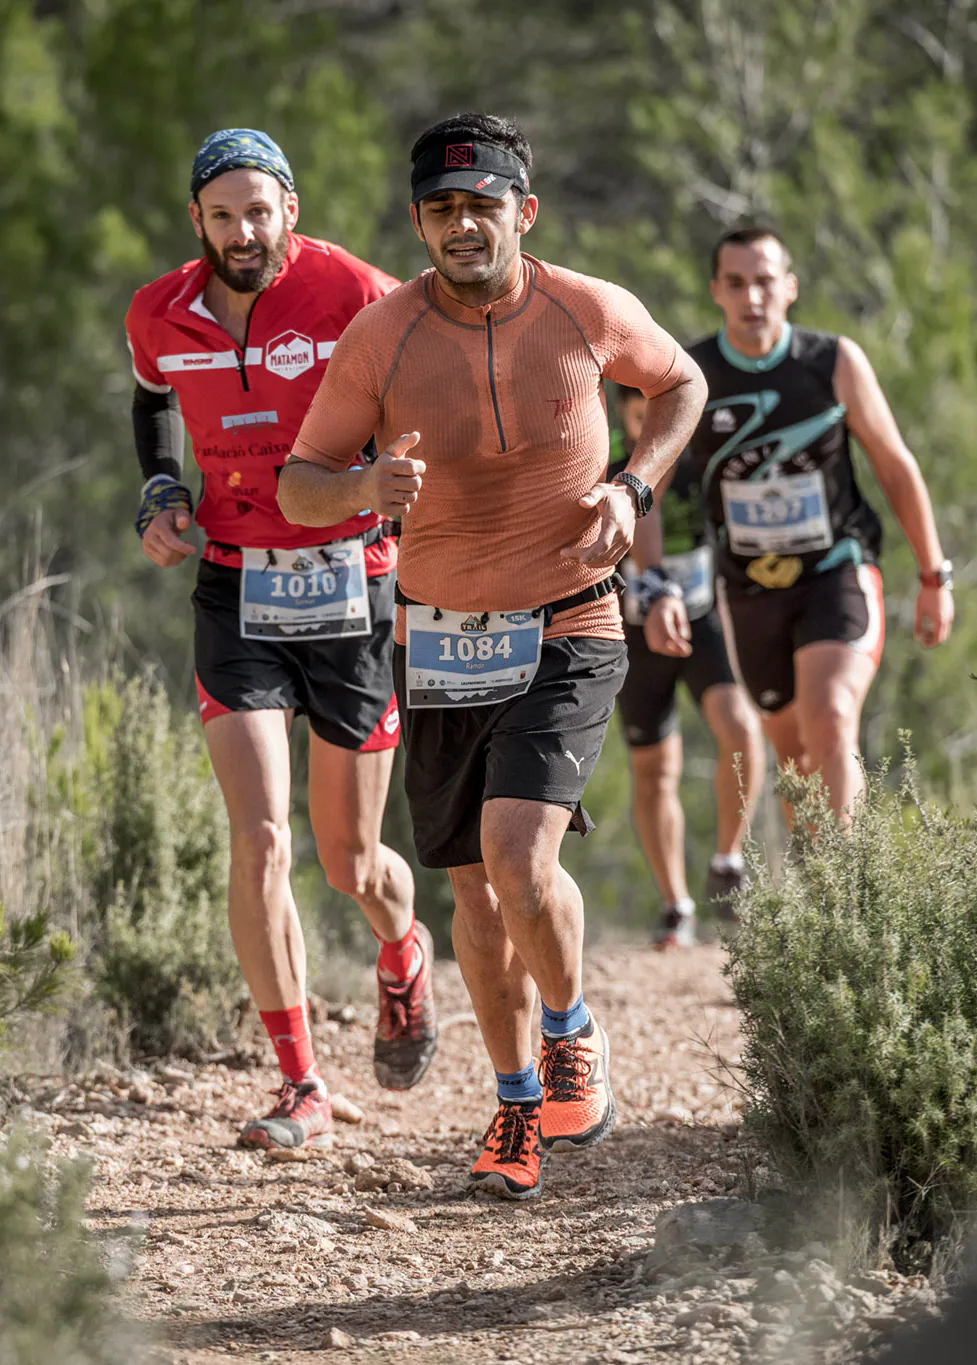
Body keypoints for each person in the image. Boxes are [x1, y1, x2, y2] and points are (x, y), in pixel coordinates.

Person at [279, 113, 707, 1200]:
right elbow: (299, 483)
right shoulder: (380, 337)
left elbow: (681, 386)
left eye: (481, 204)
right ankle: (516, 1101)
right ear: (418, 221)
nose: (461, 225)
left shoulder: (585, 307)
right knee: (473, 899)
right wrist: (360, 493)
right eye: (439, 209)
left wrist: (632, 486)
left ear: (524, 211)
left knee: (518, 858)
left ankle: (571, 1036)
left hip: (568, 617)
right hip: (437, 642)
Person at [123, 129, 437, 1153]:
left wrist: (391, 484)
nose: (243, 232)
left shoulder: (352, 289)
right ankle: (299, 1083)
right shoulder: (158, 311)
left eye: (259, 211)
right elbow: (149, 395)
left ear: (288, 211)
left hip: (350, 585)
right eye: (223, 215)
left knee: (352, 863)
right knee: (259, 836)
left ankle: (403, 950)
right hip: (233, 585)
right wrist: (161, 489)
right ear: (197, 223)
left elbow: (420, 380)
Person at [653, 227, 953, 820]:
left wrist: (932, 575)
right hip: (749, 590)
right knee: (794, 761)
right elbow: (648, 490)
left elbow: (895, 467)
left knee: (832, 718)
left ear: (789, 287)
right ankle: (819, 903)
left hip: (835, 567)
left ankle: (851, 901)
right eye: (736, 283)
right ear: (717, 290)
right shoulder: (691, 374)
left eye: (765, 281)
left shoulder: (832, 362)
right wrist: (657, 584)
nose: (752, 297)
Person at [608, 385, 764, 948]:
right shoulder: (607, 471)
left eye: (661, 414)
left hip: (700, 622)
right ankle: (676, 905)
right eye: (640, 415)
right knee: (655, 771)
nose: (653, 424)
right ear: (622, 416)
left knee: (742, 729)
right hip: (633, 632)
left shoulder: (700, 466)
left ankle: (728, 859)